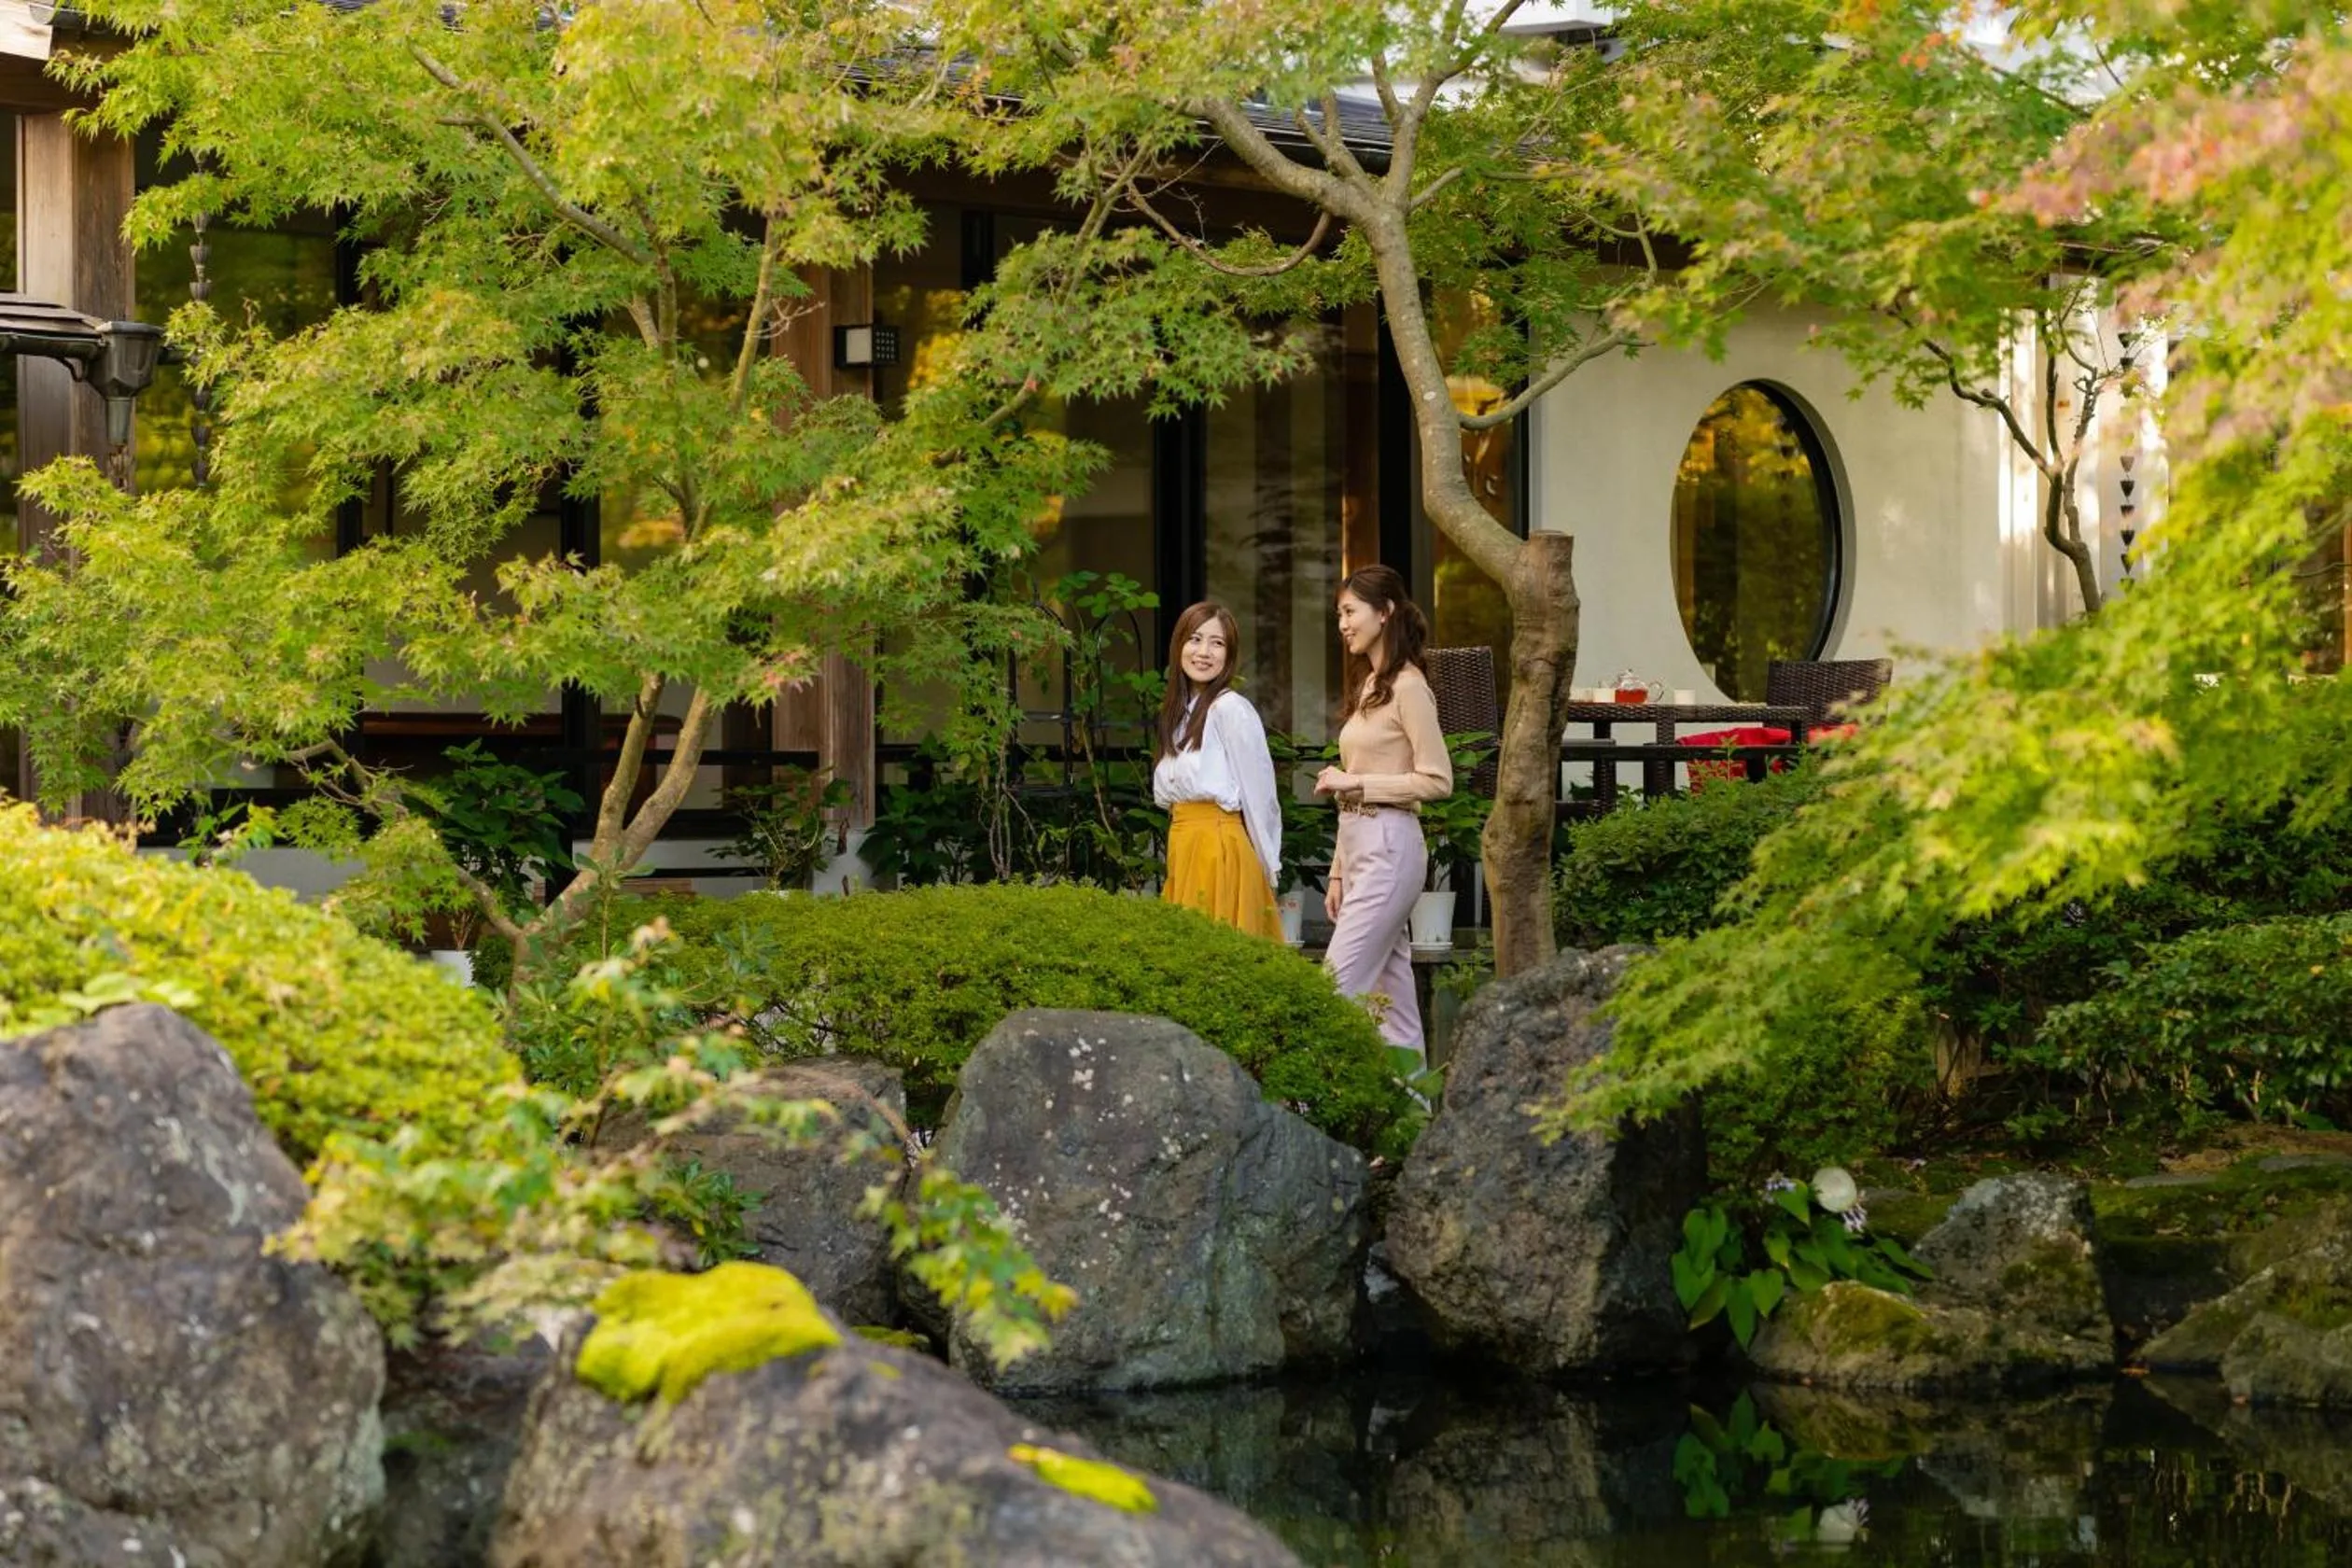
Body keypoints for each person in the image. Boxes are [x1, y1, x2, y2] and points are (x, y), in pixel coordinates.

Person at [1314, 566, 1452, 1057]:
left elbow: (1438, 779)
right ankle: (1411, 1098)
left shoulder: (1410, 686)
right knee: (1392, 1006)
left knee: (1333, 988)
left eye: (1350, 612)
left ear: (1385, 612)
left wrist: (1357, 782)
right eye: (1339, 615)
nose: (1343, 625)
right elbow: (1356, 777)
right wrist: (1337, 872)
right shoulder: (1374, 684)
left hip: (1390, 848)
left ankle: (1306, 1094)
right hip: (1362, 850)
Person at [1153, 600, 1284, 939]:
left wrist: (1267, 866)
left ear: (1230, 654)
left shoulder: (1231, 709)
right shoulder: (1177, 715)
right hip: (1184, 844)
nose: (1204, 652)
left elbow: (1260, 796)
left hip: (1219, 848)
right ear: (1179, 645)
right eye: (1195, 639)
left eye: (1217, 643)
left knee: (1215, 951)